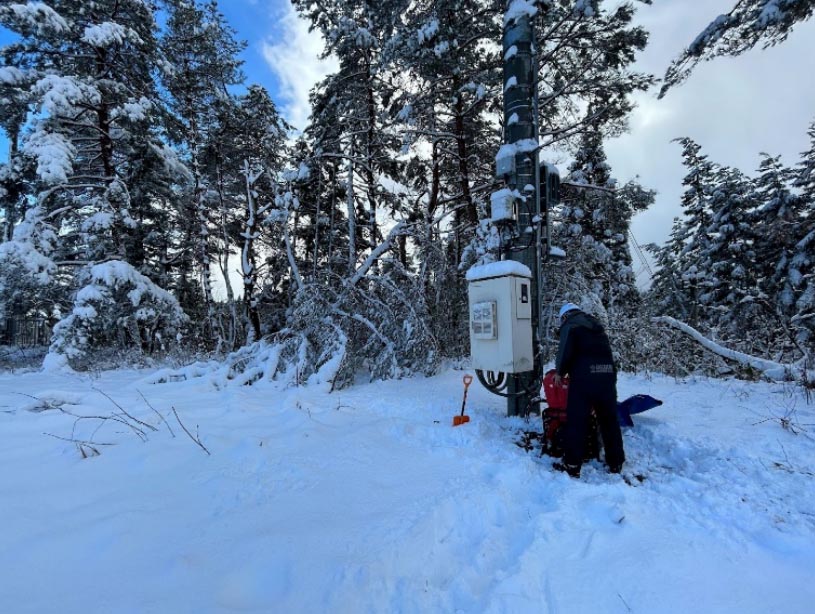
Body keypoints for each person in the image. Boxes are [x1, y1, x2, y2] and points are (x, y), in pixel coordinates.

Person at [552, 303, 624, 478]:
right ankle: (616, 463)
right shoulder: (596, 326)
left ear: (564, 316)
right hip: (607, 377)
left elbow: (564, 352)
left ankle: (572, 465)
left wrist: (560, 372)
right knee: (609, 420)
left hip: (584, 379)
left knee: (576, 422)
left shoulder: (571, 325)